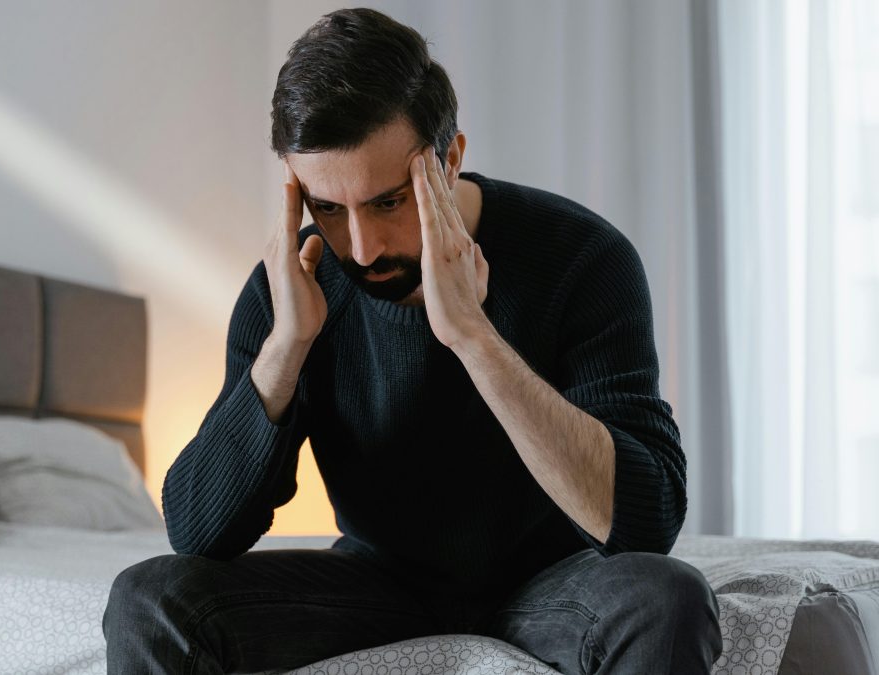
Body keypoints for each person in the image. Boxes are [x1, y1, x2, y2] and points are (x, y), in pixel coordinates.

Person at [103, 7, 722, 674]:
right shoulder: (292, 288)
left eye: (389, 202)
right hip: (378, 584)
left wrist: (474, 338)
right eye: (329, 208)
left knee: (668, 598)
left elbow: (645, 523)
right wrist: (287, 346)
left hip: (557, 584)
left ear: (449, 160)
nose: (362, 249)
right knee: (150, 596)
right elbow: (196, 533)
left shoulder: (582, 257)